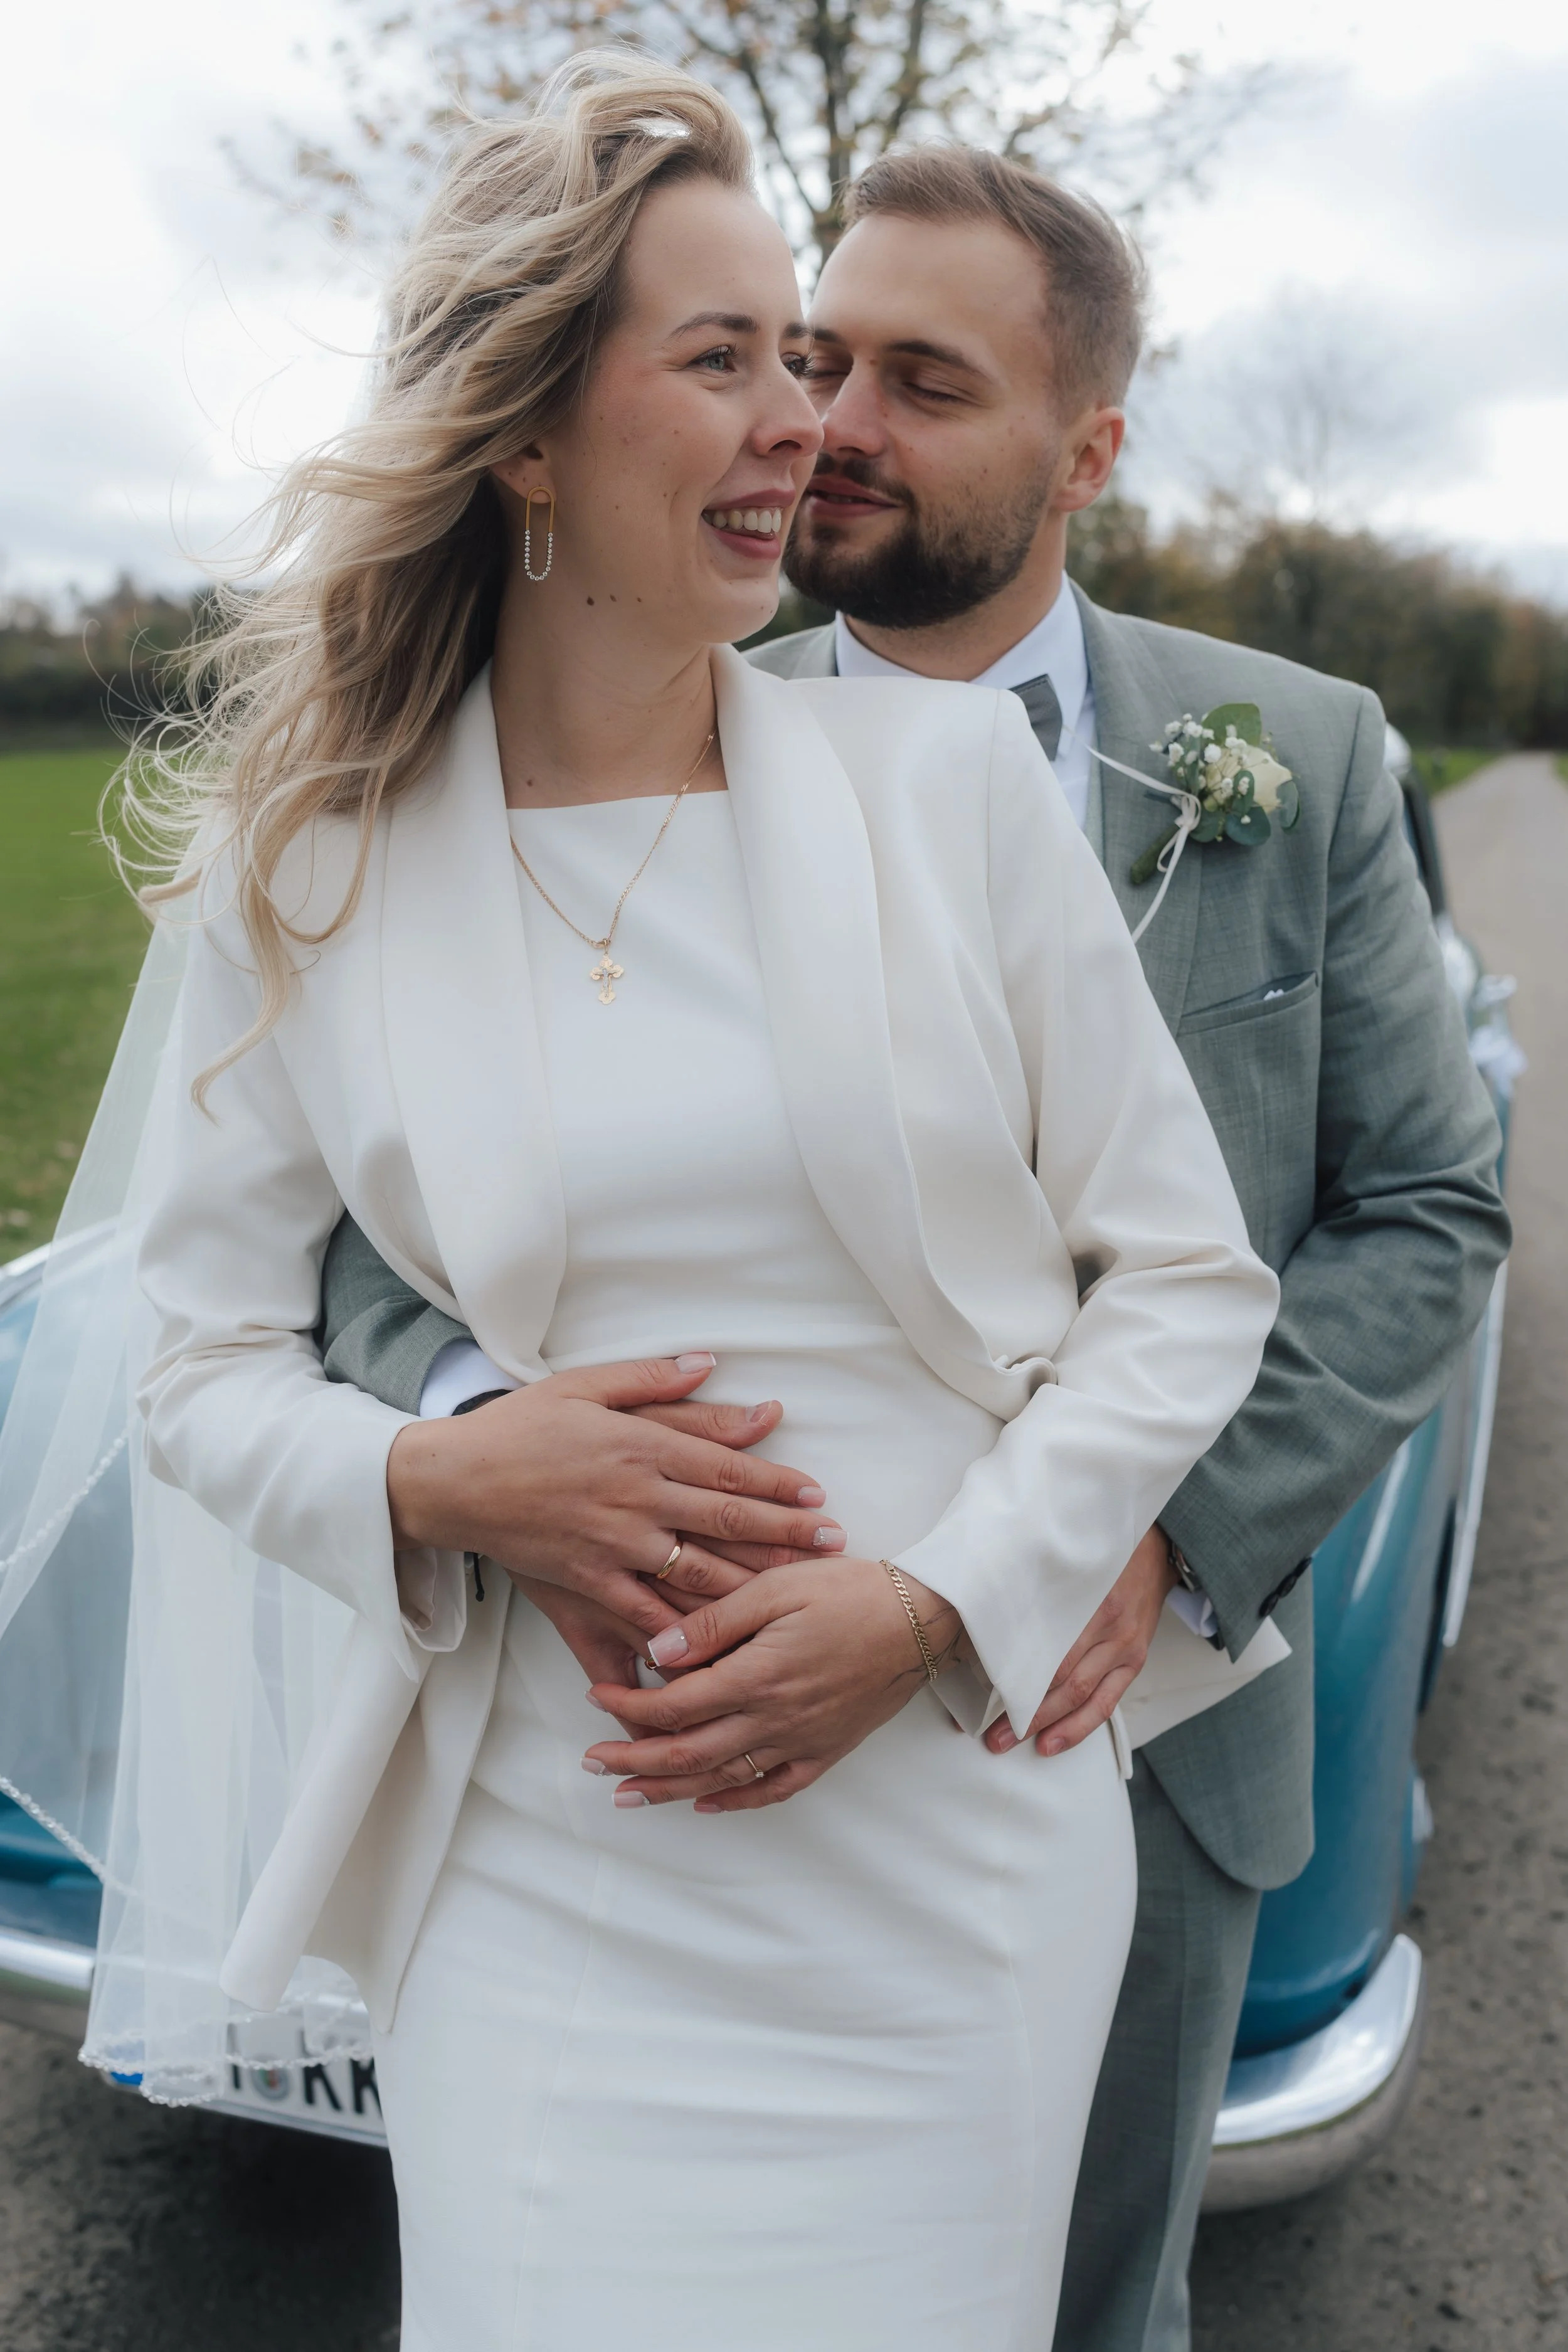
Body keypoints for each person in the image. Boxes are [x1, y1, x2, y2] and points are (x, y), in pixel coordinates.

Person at [114, 57, 1276, 2352]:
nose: (802, 426)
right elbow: (195, 1361)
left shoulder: (943, 790)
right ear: (528, 433)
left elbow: (1181, 1277)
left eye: (812, 362)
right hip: (553, 1868)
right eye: (724, 357)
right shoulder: (313, 870)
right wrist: (439, 1470)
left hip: (948, 1865)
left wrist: (939, 1605)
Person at [321, 140, 1510, 2349]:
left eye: (919, 380)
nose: (832, 418)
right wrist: (493, 1435)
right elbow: (388, 1221)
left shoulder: (1300, 752)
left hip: (1130, 1708)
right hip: (649, 1743)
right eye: (808, 353)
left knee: (1084, 2297)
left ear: (1088, 447)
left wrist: (1137, 1546)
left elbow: (1423, 1208)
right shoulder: (606, 758)